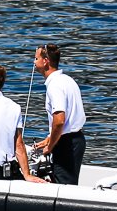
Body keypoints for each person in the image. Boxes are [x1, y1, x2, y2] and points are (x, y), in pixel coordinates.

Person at [32, 44, 86, 185]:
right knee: (69, 182)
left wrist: (50, 147)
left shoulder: (55, 85)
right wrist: (50, 139)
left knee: (64, 186)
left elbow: (60, 120)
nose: (34, 62)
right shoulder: (67, 80)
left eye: (36, 58)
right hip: (76, 139)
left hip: (67, 144)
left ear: (45, 61)